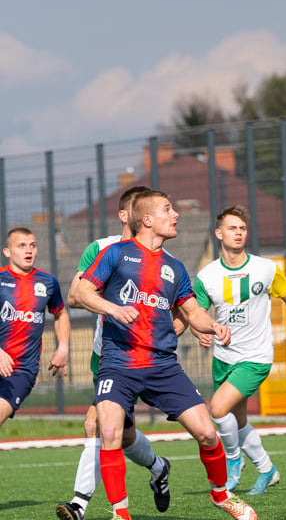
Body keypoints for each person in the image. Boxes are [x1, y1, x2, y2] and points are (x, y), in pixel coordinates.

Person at [75, 190, 256, 520]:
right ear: (147, 220)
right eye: (167, 210)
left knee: (206, 432)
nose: (175, 215)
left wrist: (212, 326)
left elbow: (191, 312)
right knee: (111, 432)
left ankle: (220, 494)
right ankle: (121, 514)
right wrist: (113, 309)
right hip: (119, 361)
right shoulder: (116, 254)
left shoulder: (174, 266)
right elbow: (81, 291)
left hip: (162, 365)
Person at [56, 186, 173, 520]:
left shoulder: (163, 257)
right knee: (102, 427)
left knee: (117, 433)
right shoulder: (103, 248)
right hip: (109, 355)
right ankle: (82, 503)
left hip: (146, 356)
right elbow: (76, 296)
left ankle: (154, 467)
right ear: (127, 215)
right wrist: (110, 296)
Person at [193, 205, 286, 494]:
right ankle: (267, 469)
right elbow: (196, 315)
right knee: (237, 422)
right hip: (223, 358)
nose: (238, 233)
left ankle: (233, 461)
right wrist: (200, 331)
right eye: (232, 228)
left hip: (256, 357)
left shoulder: (265, 268)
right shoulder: (206, 276)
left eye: (242, 228)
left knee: (217, 409)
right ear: (218, 233)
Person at [0, 228, 70, 427]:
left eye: (32, 245)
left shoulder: (48, 282)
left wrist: (63, 346)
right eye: (21, 246)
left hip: (21, 370)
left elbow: (61, 314)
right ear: (7, 252)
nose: (28, 250)